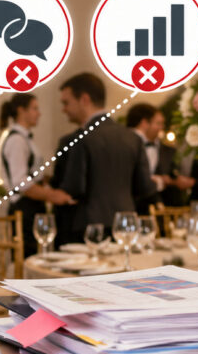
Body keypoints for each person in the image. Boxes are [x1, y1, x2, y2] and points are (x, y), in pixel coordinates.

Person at [57, 73, 156, 238]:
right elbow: (145, 186)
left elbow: (75, 188)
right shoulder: (132, 138)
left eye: (66, 103)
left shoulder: (80, 138)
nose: (63, 109)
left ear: (84, 100)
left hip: (90, 227)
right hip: (126, 224)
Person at [0, 94, 70, 257]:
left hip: (31, 207)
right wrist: (53, 195)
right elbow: (21, 183)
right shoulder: (17, 141)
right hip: (24, 209)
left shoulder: (24, 139)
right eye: (35, 108)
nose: (39, 113)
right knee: (28, 258)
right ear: (21, 111)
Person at [126, 103, 178, 214]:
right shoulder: (126, 144)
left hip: (154, 208)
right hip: (129, 207)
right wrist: (158, 181)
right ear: (144, 123)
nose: (162, 127)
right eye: (158, 123)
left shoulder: (166, 149)